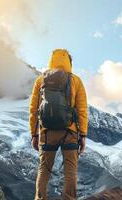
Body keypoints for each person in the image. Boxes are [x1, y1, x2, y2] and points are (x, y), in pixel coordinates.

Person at [29, 49, 88, 200]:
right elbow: (82, 110)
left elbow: (33, 109)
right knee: (70, 172)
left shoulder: (41, 80)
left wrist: (34, 134)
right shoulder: (76, 80)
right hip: (70, 132)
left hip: (47, 133)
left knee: (44, 169)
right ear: (69, 62)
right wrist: (83, 135)